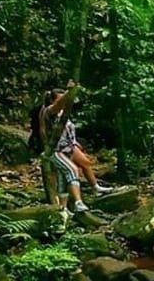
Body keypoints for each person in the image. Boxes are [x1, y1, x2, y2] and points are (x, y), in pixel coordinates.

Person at [31, 85, 114, 196]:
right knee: (65, 172)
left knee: (85, 163)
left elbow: (66, 130)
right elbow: (56, 108)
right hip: (57, 147)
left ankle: (95, 187)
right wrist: (70, 91)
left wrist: (75, 142)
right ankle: (63, 199)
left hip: (69, 144)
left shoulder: (62, 112)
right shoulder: (49, 111)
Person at [37, 81, 92, 216]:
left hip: (66, 149)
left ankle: (63, 209)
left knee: (63, 180)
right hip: (55, 151)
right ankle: (78, 202)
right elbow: (58, 104)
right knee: (72, 170)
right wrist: (70, 91)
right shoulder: (49, 111)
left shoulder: (63, 114)